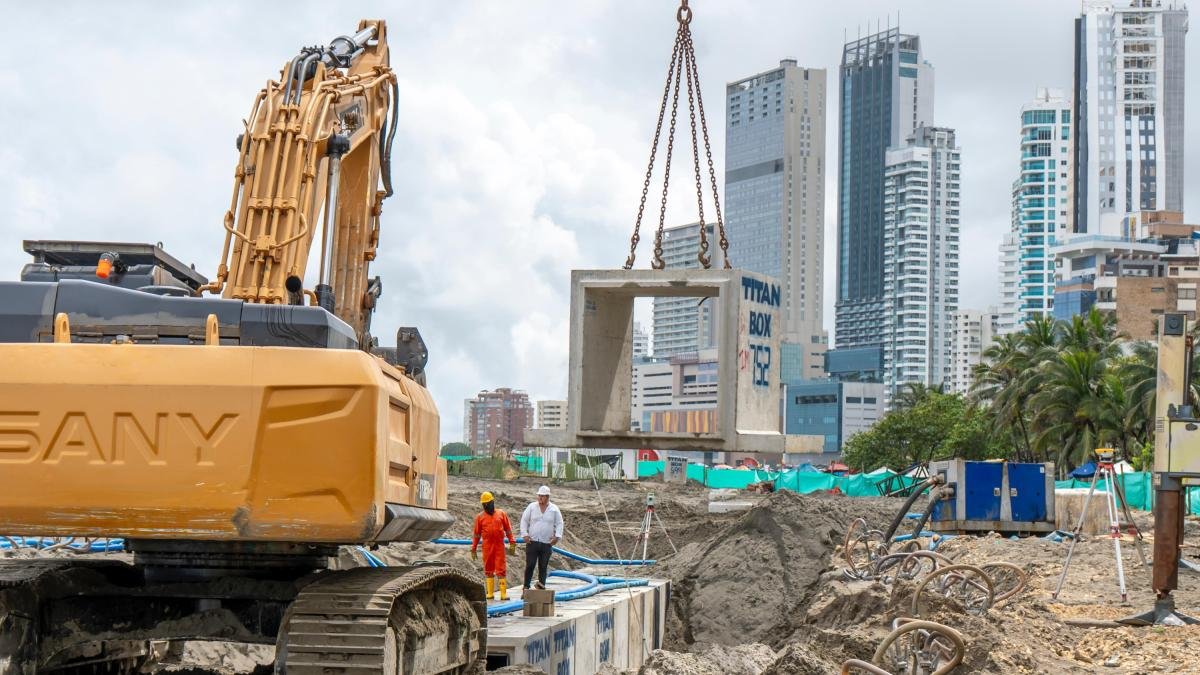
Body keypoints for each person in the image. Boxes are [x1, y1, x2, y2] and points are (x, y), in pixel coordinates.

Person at [471, 491, 516, 600]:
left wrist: (512, 542)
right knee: (488, 568)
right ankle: (490, 593)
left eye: (488, 503)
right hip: (487, 546)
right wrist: (474, 548)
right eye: (484, 504)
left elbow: (508, 529)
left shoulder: (501, 514)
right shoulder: (480, 517)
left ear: (492, 502)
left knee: (501, 569)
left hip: (499, 546)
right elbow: (476, 534)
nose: (486, 506)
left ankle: (503, 594)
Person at [519, 485, 563, 591]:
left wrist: (557, 537)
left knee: (543, 566)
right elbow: (524, 520)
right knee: (530, 565)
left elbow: (560, 523)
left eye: (542, 496)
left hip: (546, 543)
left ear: (548, 497)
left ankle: (541, 588)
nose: (540, 498)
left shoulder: (554, 509)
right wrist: (524, 534)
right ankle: (526, 587)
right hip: (532, 542)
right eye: (539, 496)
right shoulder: (532, 507)